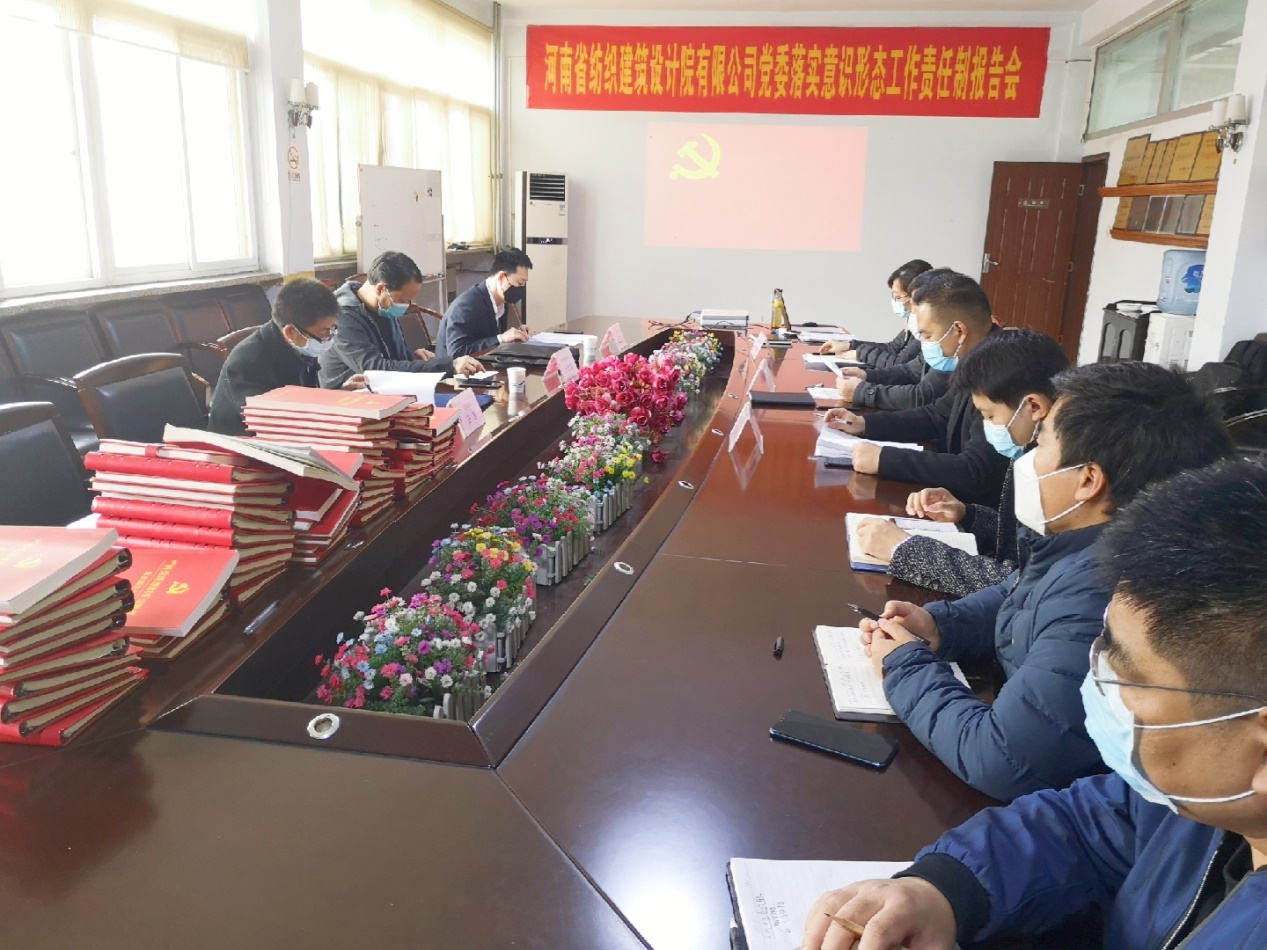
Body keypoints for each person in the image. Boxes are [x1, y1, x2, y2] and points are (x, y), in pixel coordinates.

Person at [803, 456, 1267, 950]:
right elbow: (1088, 826)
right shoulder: (1192, 803)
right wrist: (944, 890)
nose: (1097, 679)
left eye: (1129, 674)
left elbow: (1004, 759)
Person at [854, 361, 1233, 803]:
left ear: (1088, 480)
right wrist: (942, 625)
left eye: (1042, 442)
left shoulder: (1110, 595)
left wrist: (904, 666)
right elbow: (1021, 594)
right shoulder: (1085, 545)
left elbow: (1001, 759)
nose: (1029, 460)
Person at [854, 329, 1069, 597]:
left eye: (989, 416)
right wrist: (968, 516)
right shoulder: (1031, 449)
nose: (988, 426)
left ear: (1035, 407)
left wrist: (905, 550)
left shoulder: (1067, 472)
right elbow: (1020, 544)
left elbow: (1022, 588)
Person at [823, 270, 1007, 506]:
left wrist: (886, 460)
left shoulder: (1002, 372)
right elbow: (938, 415)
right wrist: (864, 424)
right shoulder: (973, 358)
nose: (924, 343)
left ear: (959, 331)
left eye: (927, 335)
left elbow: (976, 470)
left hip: (976, 511)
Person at [209, 278, 367, 435]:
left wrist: (338, 395)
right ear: (291, 332)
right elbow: (271, 421)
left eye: (333, 329)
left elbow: (304, 400)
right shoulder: (248, 363)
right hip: (245, 442)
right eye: (324, 332)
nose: (329, 338)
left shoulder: (300, 343)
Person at [318, 250, 484, 389]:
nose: (405, 306)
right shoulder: (341, 315)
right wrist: (449, 366)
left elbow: (389, 352)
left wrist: (411, 355)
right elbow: (375, 368)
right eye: (402, 300)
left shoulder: (383, 306)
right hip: (347, 399)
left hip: (385, 390)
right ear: (381, 289)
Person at [823, 262, 950, 411]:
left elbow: (921, 395)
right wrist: (865, 374)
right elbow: (908, 368)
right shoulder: (924, 329)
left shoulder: (942, 339)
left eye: (899, 297)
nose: (909, 309)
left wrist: (863, 391)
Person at [435, 248, 534, 359]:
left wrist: (517, 333)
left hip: (483, 363)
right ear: (502, 277)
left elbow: (489, 338)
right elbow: (456, 352)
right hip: (455, 369)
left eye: (524, 285)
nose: (521, 289)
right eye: (519, 283)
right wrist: (501, 338)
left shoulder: (501, 300)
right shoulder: (467, 305)